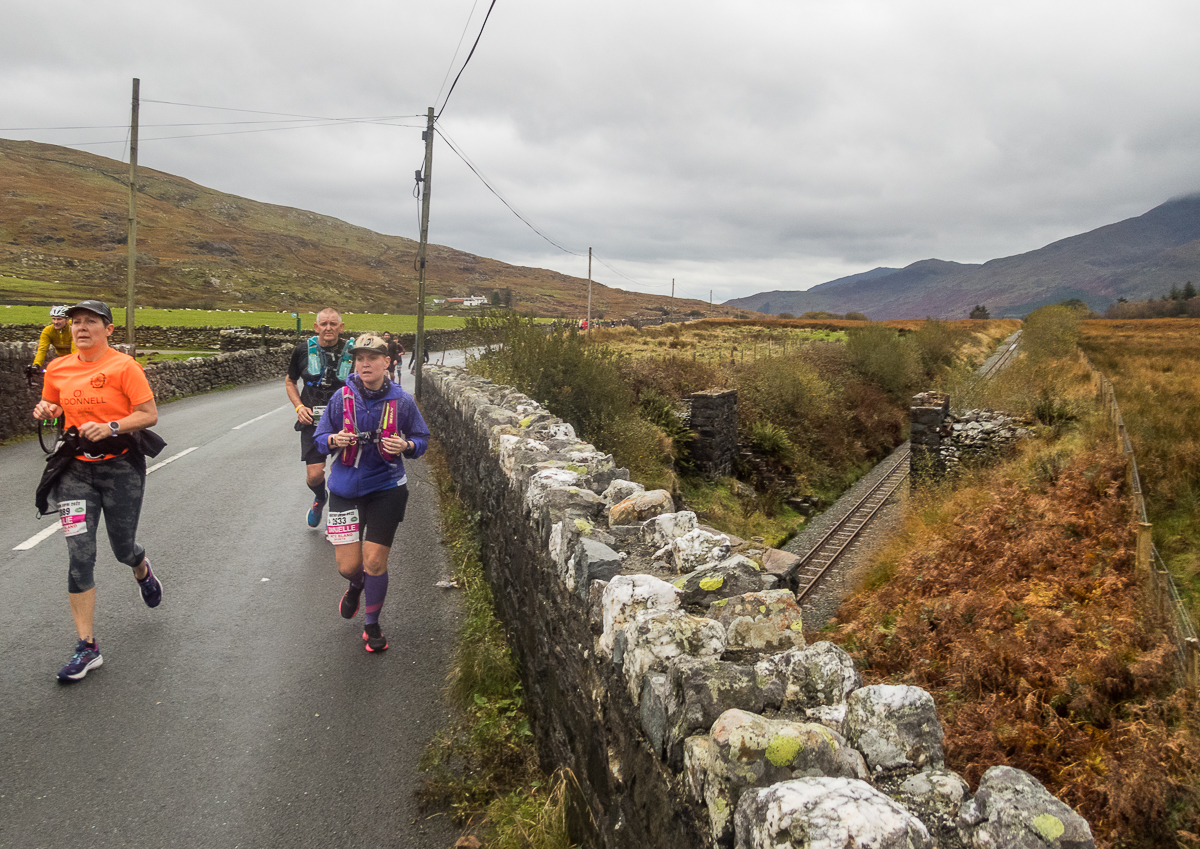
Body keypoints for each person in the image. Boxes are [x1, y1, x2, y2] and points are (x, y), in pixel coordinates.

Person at [32, 299, 162, 682]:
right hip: (74, 470)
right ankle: (87, 646)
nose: (81, 327)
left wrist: (112, 426)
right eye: (76, 322)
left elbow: (149, 413)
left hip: (120, 467)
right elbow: (53, 404)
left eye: (91, 321)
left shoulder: (124, 366)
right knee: (80, 555)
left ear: (108, 330)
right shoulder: (57, 368)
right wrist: (46, 410)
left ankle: (141, 568)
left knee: (122, 547)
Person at [314, 333, 429, 652]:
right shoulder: (341, 398)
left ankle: (372, 624)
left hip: (386, 488)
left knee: (375, 561)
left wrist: (407, 445)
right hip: (343, 490)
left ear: (387, 362)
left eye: (372, 358)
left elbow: (422, 438)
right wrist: (334, 440)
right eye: (360, 358)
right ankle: (355, 586)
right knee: (349, 567)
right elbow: (320, 437)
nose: (365, 363)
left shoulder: (402, 401)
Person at [286, 308, 355, 529]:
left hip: (345, 423)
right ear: (316, 327)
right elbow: (290, 381)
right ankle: (320, 497)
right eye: (324, 324)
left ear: (341, 327)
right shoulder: (302, 350)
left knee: (344, 475)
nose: (328, 328)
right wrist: (299, 407)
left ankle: (339, 522)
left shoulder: (352, 352)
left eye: (333, 324)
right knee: (315, 476)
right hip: (312, 423)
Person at [33, 305, 76, 369]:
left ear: (67, 319)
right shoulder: (48, 331)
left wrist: (75, 364)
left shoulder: (74, 328)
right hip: (61, 359)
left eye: (59, 319)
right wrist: (36, 364)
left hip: (76, 358)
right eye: (54, 319)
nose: (55, 322)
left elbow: (75, 348)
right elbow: (42, 349)